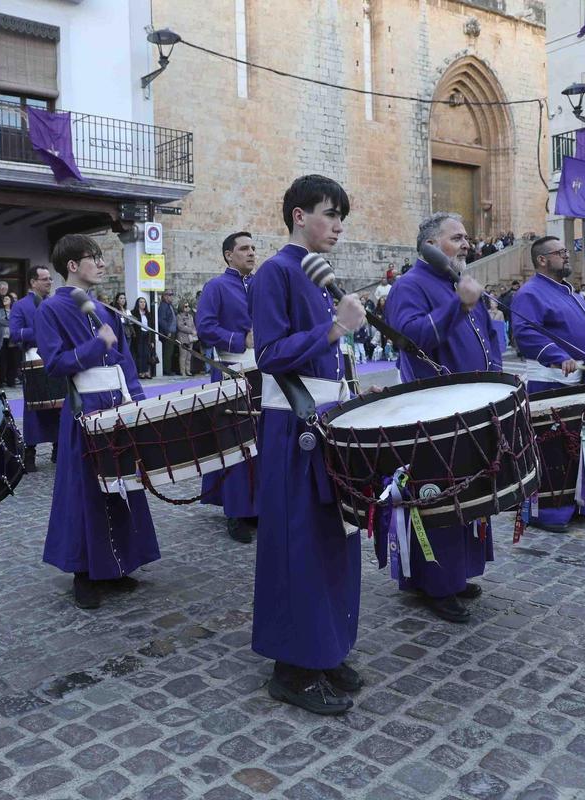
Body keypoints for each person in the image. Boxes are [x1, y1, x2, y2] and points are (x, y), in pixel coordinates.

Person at [250, 174, 366, 715]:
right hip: (294, 426)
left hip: (328, 418)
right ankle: (291, 667)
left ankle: (325, 646)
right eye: (329, 213)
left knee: (332, 539)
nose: (338, 225)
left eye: (341, 215)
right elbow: (270, 353)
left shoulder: (319, 275)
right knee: (298, 543)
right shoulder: (275, 271)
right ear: (299, 215)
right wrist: (332, 332)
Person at [382, 212, 501, 624]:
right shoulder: (409, 286)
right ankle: (434, 582)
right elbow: (412, 338)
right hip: (435, 413)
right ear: (431, 244)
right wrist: (458, 303)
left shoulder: (460, 283)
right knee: (440, 495)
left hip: (474, 405)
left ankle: (458, 572)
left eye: (467, 237)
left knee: (470, 493)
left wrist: (496, 382)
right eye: (457, 237)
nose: (466, 243)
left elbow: (488, 341)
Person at [35, 233, 159, 610]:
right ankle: (83, 573)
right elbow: (55, 363)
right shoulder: (50, 310)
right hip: (83, 409)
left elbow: (125, 361)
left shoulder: (104, 311)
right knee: (85, 491)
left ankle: (118, 564)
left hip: (117, 406)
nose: (102, 264)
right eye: (95, 257)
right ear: (72, 265)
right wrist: (95, 347)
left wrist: (137, 401)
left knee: (121, 486)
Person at [510, 236, 585, 533]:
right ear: (542, 260)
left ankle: (583, 503)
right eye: (560, 253)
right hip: (550, 383)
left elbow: (584, 330)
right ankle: (549, 512)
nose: (567, 256)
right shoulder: (530, 293)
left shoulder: (572, 293)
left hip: (581, 381)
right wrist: (557, 357)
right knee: (553, 450)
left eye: (566, 251)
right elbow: (525, 334)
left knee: (582, 446)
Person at [196, 230, 259, 544]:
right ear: (228, 255)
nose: (250, 253)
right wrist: (238, 339)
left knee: (259, 441)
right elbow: (205, 327)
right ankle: (235, 511)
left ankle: (256, 506)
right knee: (234, 442)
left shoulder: (260, 285)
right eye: (244, 248)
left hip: (261, 371)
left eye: (253, 248)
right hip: (229, 368)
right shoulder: (216, 286)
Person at [11, 265, 58, 470]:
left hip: (56, 359)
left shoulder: (55, 304)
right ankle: (29, 454)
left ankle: (59, 449)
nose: (49, 282)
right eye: (45, 279)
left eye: (50, 279)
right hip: (33, 360)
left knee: (60, 406)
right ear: (33, 282)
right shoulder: (20, 306)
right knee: (34, 410)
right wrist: (41, 331)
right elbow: (15, 334)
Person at [130, 297, 155, 379]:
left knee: (147, 354)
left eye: (144, 302)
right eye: (141, 302)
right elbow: (132, 325)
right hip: (139, 336)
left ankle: (147, 371)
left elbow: (151, 327)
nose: (143, 304)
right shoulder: (134, 313)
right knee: (140, 354)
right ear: (137, 303)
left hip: (147, 335)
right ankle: (141, 372)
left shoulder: (148, 313)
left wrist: (152, 340)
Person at [0, 294, 18, 386]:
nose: (5, 300)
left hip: (12, 339)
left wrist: (7, 322)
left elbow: (16, 323)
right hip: (2, 339)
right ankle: (0, 381)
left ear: (11, 301)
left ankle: (11, 382)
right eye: (4, 298)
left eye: (7, 298)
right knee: (2, 361)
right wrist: (10, 322)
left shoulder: (15, 311)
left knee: (12, 361)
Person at [157, 290, 178, 374]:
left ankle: (169, 368)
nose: (171, 296)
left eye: (172, 294)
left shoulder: (170, 306)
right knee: (167, 352)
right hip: (168, 332)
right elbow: (161, 320)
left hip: (173, 331)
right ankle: (167, 370)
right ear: (165, 296)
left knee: (171, 351)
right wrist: (167, 331)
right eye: (170, 295)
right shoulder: (163, 306)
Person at [175, 300, 196, 376]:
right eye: (185, 306)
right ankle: (182, 371)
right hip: (182, 338)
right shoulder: (179, 316)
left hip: (190, 338)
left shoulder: (190, 316)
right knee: (183, 355)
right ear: (182, 307)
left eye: (188, 306)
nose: (187, 308)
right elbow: (180, 327)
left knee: (189, 356)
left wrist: (194, 331)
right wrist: (191, 330)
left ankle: (188, 370)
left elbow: (193, 325)